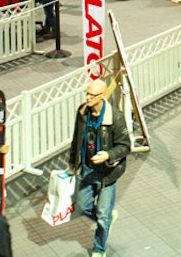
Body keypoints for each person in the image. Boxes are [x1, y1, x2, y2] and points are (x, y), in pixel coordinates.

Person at [70, 78, 131, 257]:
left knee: (102, 217)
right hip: (87, 169)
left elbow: (126, 146)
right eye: (87, 93)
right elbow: (76, 139)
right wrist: (72, 164)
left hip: (107, 173)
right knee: (83, 206)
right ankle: (107, 218)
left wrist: (108, 155)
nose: (88, 98)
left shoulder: (115, 117)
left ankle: (99, 249)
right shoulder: (82, 113)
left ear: (102, 96)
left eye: (92, 95)